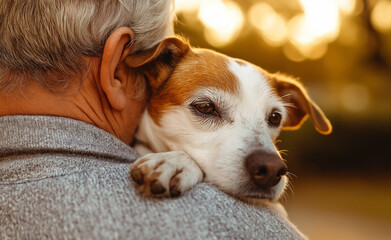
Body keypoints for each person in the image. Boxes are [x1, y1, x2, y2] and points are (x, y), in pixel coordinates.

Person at [0, 1, 307, 239]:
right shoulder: (251, 229)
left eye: (272, 118)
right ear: (119, 70)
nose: (270, 159)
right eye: (207, 109)